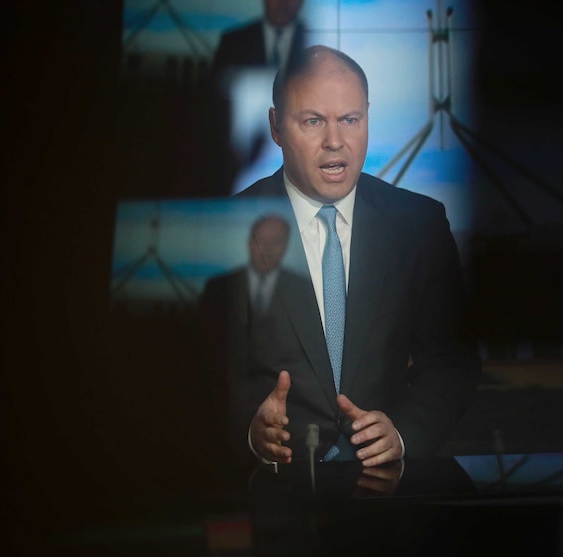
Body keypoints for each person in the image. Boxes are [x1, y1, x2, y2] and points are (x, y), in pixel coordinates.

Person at [201, 45, 480, 472]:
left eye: (350, 120)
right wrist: (249, 430)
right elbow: (199, 373)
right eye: (313, 121)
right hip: (271, 492)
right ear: (276, 126)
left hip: (389, 493)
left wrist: (404, 433)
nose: (335, 142)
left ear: (367, 116)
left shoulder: (419, 224)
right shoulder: (225, 232)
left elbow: (451, 363)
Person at [207, 0, 307, 196]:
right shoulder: (233, 42)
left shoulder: (316, 40)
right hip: (236, 178)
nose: (283, 3)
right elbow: (213, 113)